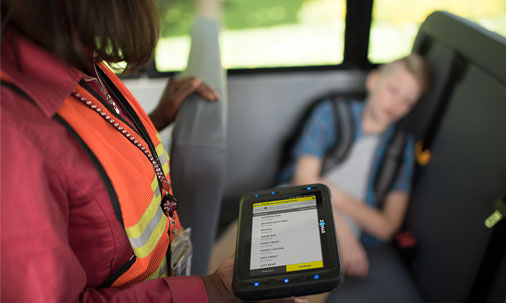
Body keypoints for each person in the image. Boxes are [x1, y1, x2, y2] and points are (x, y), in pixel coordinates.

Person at [0, 1, 307, 302]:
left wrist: (151, 122)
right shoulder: (11, 138)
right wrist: (213, 290)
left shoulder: (73, 53)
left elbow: (82, 169)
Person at [282, 53, 432, 302]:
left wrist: (334, 195)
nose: (396, 105)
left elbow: (386, 227)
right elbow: (303, 180)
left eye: (408, 101)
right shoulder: (331, 113)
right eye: (392, 90)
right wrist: (342, 235)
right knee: (227, 272)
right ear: (373, 81)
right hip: (294, 205)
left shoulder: (401, 148)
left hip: (326, 243)